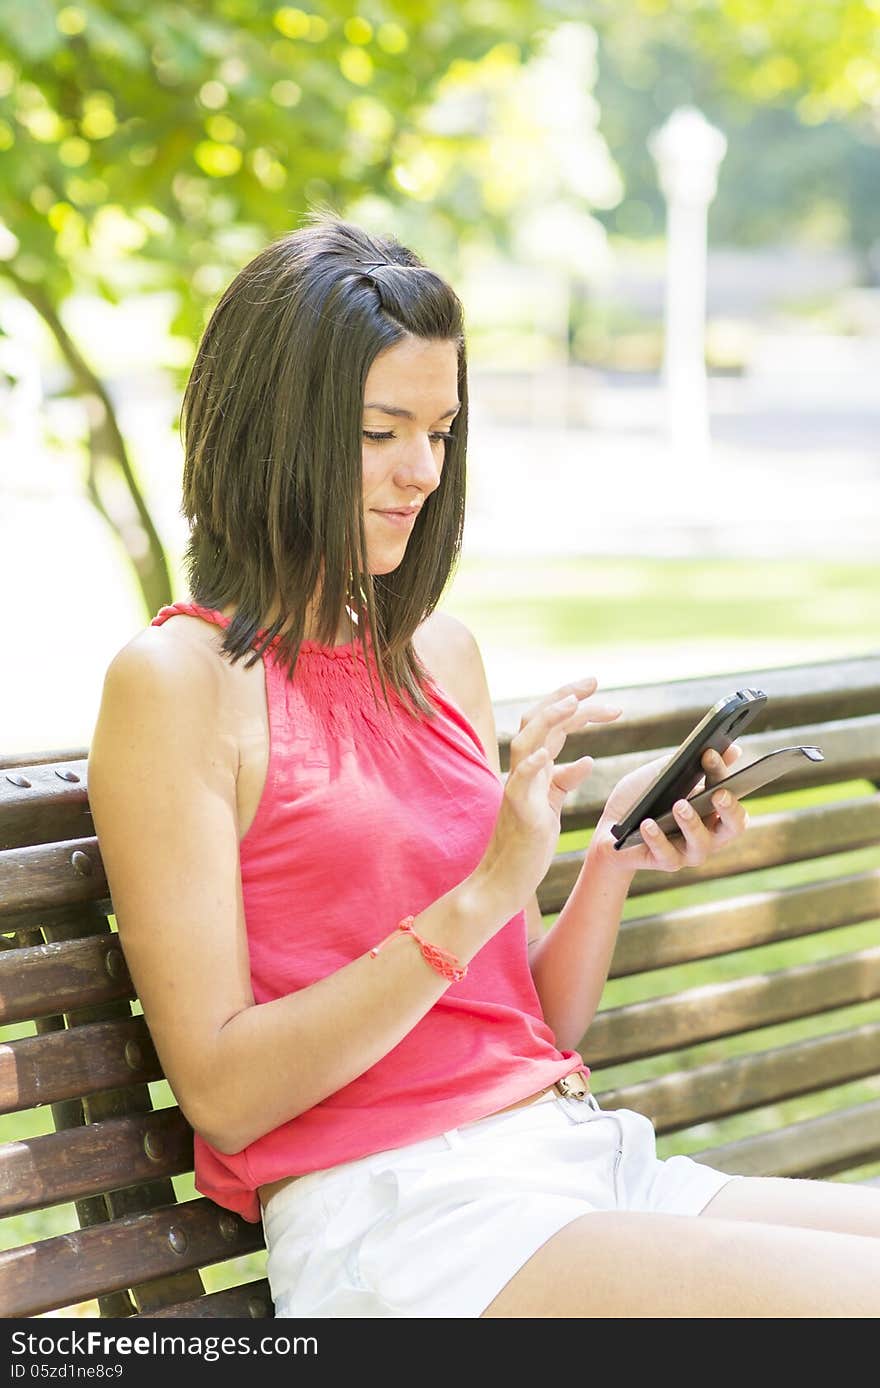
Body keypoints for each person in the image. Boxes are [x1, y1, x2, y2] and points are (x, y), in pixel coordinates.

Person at [87, 212, 880, 1319]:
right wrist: (481, 894)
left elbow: (526, 1029)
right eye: (379, 432)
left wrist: (605, 856)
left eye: (441, 431)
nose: (420, 471)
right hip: (404, 1218)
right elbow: (222, 1093)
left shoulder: (436, 655)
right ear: (277, 429)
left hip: (575, 1161)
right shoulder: (179, 680)